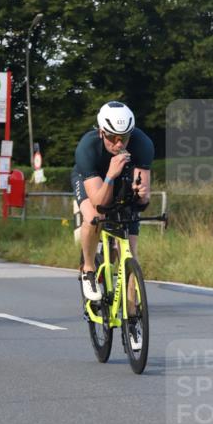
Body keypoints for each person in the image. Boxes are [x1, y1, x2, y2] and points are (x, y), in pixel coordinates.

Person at [72, 101, 154, 302]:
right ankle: (89, 269)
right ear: (101, 132)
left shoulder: (142, 144)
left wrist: (142, 195)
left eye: (124, 138)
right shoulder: (88, 147)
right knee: (94, 217)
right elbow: (100, 203)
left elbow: (142, 203)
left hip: (121, 180)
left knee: (129, 250)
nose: (118, 144)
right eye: (112, 138)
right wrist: (110, 175)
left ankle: (132, 316)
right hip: (91, 181)